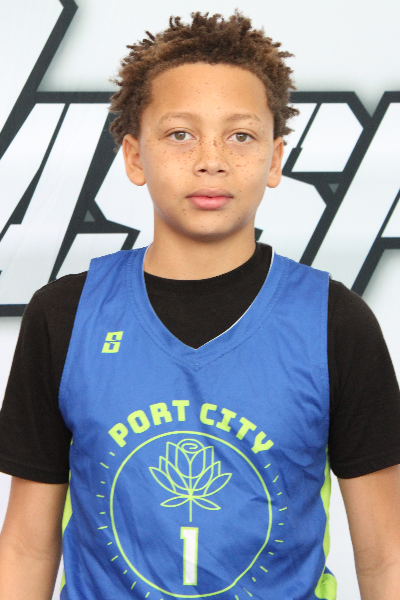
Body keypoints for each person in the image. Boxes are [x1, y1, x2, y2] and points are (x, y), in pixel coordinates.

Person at [0, 11, 400, 600]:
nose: (211, 159)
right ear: (134, 157)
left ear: (274, 159)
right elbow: (27, 547)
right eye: (180, 134)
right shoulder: (63, 315)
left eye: (240, 136)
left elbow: (386, 555)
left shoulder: (334, 322)